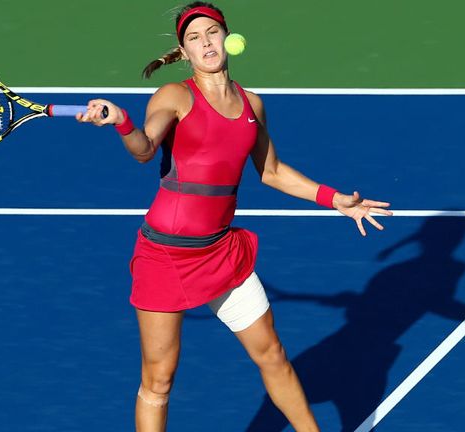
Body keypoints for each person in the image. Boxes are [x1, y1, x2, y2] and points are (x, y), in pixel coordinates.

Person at [76, 2, 392, 431]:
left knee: (273, 354)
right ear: (184, 52)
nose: (206, 42)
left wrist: (335, 199)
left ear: (227, 37)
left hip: (222, 254)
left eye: (212, 32)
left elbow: (272, 171)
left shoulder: (251, 104)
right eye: (194, 38)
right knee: (159, 380)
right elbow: (145, 149)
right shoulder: (175, 96)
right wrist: (123, 122)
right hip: (164, 257)